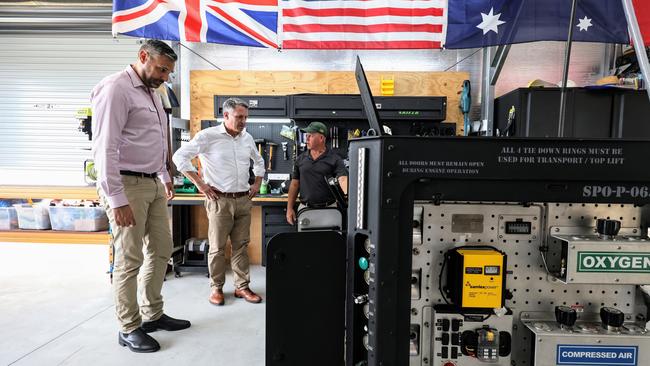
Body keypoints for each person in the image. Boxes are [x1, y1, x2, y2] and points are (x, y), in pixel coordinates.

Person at [92, 40, 190, 353]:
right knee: (129, 259)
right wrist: (116, 199)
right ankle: (128, 326)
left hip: (153, 184)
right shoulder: (115, 88)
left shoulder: (154, 92)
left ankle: (153, 313)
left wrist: (164, 175)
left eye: (169, 72)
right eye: (161, 69)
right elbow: (105, 147)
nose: (164, 76)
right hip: (126, 185)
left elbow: (157, 140)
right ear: (143, 56)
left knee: (162, 250)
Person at [172, 97, 265, 306]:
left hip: (243, 199)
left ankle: (242, 287)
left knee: (241, 245)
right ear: (225, 115)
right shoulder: (207, 136)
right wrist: (200, 184)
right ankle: (216, 288)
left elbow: (259, 162)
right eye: (239, 117)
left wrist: (257, 183)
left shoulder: (247, 138)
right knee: (217, 247)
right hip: (219, 200)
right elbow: (180, 157)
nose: (243, 121)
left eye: (246, 117)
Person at [286, 121, 348, 225]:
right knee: (307, 241)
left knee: (331, 241)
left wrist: (348, 196)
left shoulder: (335, 159)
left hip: (330, 211)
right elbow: (294, 184)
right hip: (305, 210)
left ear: (321, 138)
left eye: (310, 136)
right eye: (307, 135)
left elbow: (343, 179)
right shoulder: (300, 159)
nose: (307, 139)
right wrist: (289, 209)